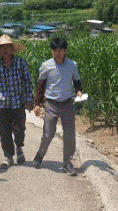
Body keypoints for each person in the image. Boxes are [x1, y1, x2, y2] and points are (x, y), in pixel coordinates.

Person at [33, 37, 82, 176]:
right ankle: (40, 154)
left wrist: (79, 91)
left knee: (69, 134)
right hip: (51, 104)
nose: (57, 53)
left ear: (65, 50)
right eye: (54, 50)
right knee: (48, 133)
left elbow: (77, 81)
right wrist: (37, 104)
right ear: (52, 51)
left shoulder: (72, 65)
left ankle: (67, 162)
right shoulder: (46, 65)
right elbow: (40, 86)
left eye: (60, 50)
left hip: (67, 104)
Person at [0, 34, 34, 169]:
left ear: (12, 49)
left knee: (19, 130)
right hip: (2, 104)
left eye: (7, 47)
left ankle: (19, 147)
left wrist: (28, 99)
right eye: (2, 48)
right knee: (4, 131)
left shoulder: (21, 63)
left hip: (18, 102)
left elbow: (28, 81)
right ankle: (8, 156)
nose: (5, 50)